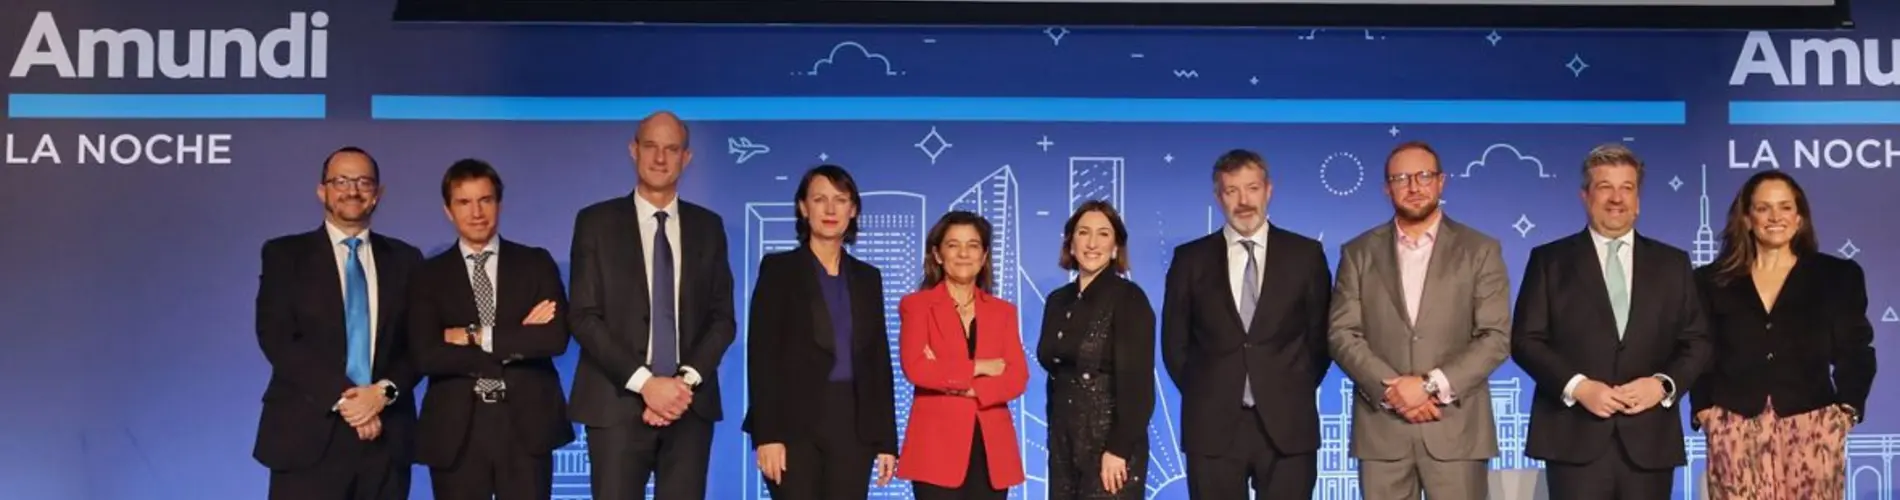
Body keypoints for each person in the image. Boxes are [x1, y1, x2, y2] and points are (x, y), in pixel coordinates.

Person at [1512, 144, 1711, 500]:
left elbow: (1697, 341)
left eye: (1627, 188)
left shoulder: (1673, 264)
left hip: (1649, 441)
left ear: (1638, 200)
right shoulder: (1549, 261)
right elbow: (1526, 341)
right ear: (1585, 196)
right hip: (1573, 438)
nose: (1616, 198)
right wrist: (1579, 387)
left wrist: (1662, 385)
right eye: (1605, 187)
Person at [567, 111, 737, 500]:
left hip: (688, 407)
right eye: (651, 146)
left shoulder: (708, 227)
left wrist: (680, 387)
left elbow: (722, 319)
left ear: (686, 158)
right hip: (615, 404)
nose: (660, 158)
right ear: (634, 150)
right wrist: (647, 384)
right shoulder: (595, 222)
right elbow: (584, 316)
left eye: (671, 149)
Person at [1327, 141, 1511, 500]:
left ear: (1441, 181)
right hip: (1382, 433)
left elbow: (1495, 336)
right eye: (1401, 178)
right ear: (1387, 188)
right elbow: (1342, 333)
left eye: (1424, 176)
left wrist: (1427, 386)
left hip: (1456, 431)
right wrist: (1393, 393)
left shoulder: (1480, 249)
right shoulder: (1358, 252)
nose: (1414, 187)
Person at [1692, 170, 1876, 500]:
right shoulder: (1711, 280)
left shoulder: (1837, 276)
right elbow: (1701, 349)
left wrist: (1846, 410)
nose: (1775, 217)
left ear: (1799, 217)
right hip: (1734, 425)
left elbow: (1856, 349)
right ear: (1747, 218)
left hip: (1812, 425)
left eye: (1785, 207)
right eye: (1763, 208)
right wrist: (1705, 409)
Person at [253, 146, 423, 500]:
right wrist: (348, 401)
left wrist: (382, 393)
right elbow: (278, 338)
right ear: (322, 191)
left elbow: (418, 344)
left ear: (378, 193)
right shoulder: (285, 255)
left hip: (385, 439)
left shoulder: (406, 260)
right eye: (341, 181)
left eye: (363, 182)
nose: (352, 190)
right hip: (306, 437)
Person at [1161, 149, 1332, 499]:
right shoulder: (1190, 259)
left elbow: (1321, 340)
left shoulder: (1305, 256)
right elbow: (1174, 345)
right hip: (1212, 426)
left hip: (1288, 426)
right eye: (1231, 190)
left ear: (1268, 190)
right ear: (1218, 197)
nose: (1243, 201)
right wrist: (1210, 391)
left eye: (1252, 188)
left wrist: (1286, 385)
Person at [407, 159, 575, 500]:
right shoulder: (427, 275)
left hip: (526, 424)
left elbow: (554, 338)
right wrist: (516, 339)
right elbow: (426, 354)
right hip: (457, 429)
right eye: (464, 202)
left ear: (499, 203)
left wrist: (473, 335)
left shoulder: (535, 262)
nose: (476, 213)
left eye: (485, 200)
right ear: (448, 210)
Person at [742, 165, 899, 499]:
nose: (830, 209)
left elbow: (877, 360)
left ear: (853, 210)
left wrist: (887, 440)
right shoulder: (779, 270)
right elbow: (762, 355)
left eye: (840, 200)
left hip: (854, 426)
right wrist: (767, 435)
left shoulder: (868, 278)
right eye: (819, 199)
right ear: (803, 207)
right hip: (792, 426)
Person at [895, 210, 1029, 500]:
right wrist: (981, 366)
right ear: (938, 254)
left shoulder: (1003, 312)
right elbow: (917, 368)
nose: (964, 254)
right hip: (936, 450)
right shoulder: (916, 306)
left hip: (991, 451)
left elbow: (1017, 377)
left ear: (984, 256)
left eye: (973, 245)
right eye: (953, 245)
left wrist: (965, 386)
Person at [1037, 200, 1155, 499]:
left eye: (1103, 234)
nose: (1092, 243)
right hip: (1063, 442)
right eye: (1083, 232)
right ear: (1071, 243)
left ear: (1115, 247)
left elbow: (1138, 386)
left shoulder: (1129, 299)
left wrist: (1119, 449)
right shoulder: (1057, 301)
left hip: (1109, 444)